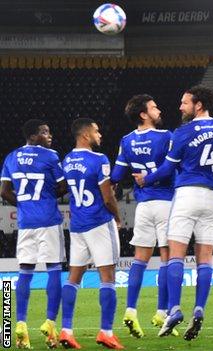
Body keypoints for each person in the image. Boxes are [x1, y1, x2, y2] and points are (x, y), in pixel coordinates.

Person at [133, 85, 213, 340]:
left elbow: (166, 169)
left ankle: (174, 309)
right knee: (204, 259)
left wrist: (146, 179)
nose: (180, 107)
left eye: (184, 102)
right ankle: (199, 308)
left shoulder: (183, 132)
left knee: (176, 255)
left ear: (198, 105)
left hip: (187, 194)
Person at [110, 94, 178, 338]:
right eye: (154, 107)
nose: (158, 110)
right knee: (168, 259)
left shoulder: (126, 141)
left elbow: (116, 175)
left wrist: (112, 190)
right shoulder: (167, 136)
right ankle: (162, 312)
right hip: (166, 203)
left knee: (140, 259)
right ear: (143, 114)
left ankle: (130, 310)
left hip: (143, 206)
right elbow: (171, 167)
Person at [1, 119, 67, 349]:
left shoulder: (11, 157)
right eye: (44, 132)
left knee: (25, 272)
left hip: (26, 221)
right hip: (48, 219)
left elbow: (4, 192)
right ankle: (49, 323)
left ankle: (19, 324)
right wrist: (48, 197)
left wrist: (24, 206)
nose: (49, 135)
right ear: (33, 135)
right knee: (54, 270)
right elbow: (63, 186)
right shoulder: (50, 156)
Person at [59, 118, 124, 349]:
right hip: (98, 223)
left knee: (73, 278)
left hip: (77, 226)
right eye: (96, 131)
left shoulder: (66, 160)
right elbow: (107, 197)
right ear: (85, 135)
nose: (100, 135)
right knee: (108, 278)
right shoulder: (99, 159)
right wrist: (117, 217)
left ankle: (66, 330)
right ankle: (106, 332)